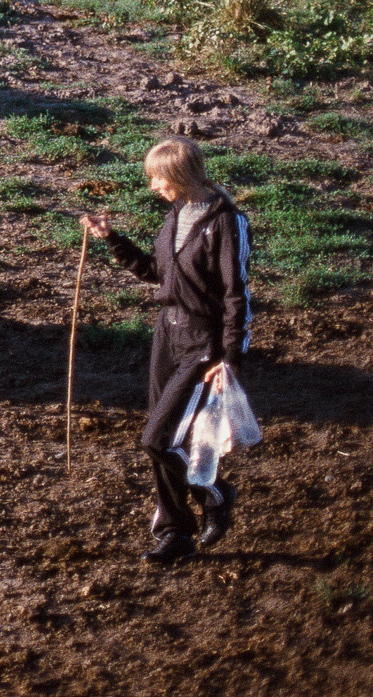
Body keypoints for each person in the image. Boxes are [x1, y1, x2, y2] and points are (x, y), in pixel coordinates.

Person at [78, 136, 251, 564]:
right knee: (171, 436)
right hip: (167, 338)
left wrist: (228, 358)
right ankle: (176, 532)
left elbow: (237, 295)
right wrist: (112, 238)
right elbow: (158, 273)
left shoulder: (225, 223)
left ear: (180, 175)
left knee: (157, 440)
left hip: (202, 344)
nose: (154, 186)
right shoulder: (177, 215)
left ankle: (214, 492)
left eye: (158, 177)